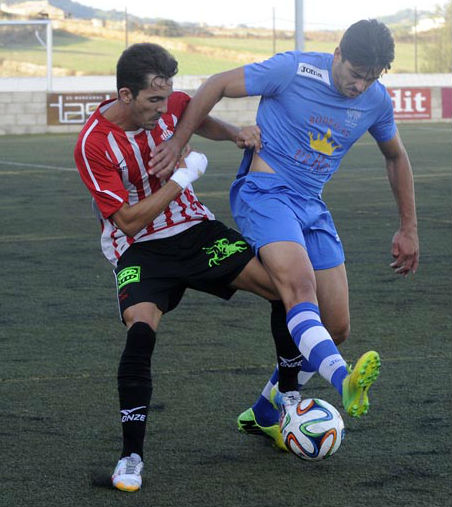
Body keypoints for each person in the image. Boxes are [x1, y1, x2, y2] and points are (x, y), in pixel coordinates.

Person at [150, 20, 418, 441]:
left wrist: (408, 227)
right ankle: (344, 381)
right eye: (355, 73)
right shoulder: (292, 70)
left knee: (337, 326)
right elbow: (217, 83)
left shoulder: (376, 100)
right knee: (298, 284)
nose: (360, 85)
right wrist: (177, 141)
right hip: (265, 191)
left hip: (312, 205)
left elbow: (396, 156)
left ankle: (264, 409)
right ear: (338, 54)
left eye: (371, 77)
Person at [74, 42, 314, 493]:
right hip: (140, 249)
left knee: (286, 291)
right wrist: (185, 177)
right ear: (125, 96)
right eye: (153, 101)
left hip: (197, 232)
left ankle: (288, 403)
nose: (165, 109)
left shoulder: (171, 104)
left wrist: (233, 133)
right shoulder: (93, 144)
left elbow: (194, 116)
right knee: (140, 333)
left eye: (167, 97)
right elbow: (126, 220)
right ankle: (130, 457)